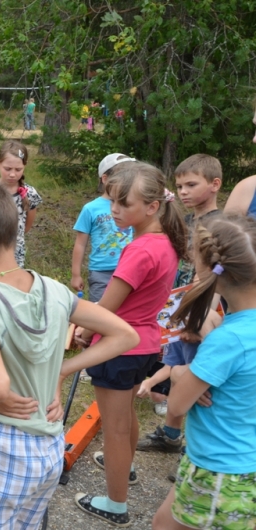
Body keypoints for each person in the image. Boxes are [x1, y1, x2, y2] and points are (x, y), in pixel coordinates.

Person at [0, 180, 139, 530]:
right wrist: (64, 370)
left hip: (4, 448)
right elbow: (125, 334)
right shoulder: (55, 290)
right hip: (48, 446)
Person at [74, 162, 186, 526]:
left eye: (124, 204)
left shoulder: (139, 250)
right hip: (145, 344)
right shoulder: (165, 242)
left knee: (115, 428)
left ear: (152, 207)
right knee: (123, 423)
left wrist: (83, 329)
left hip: (120, 347)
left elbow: (108, 306)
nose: (114, 211)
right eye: (112, 202)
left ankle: (115, 503)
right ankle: (126, 468)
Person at [152, 214, 256, 530]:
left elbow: (177, 405)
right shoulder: (233, 333)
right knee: (162, 523)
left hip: (219, 468)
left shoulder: (228, 340)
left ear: (210, 272)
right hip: (242, 460)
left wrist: (180, 374)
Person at [137, 154, 223, 455]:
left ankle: (206, 451)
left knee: (198, 378)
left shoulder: (220, 225)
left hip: (203, 311)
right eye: (179, 186)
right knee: (176, 363)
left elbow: (215, 276)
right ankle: (171, 435)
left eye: (191, 184)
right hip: (179, 303)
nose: (184, 191)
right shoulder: (185, 219)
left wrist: (199, 315)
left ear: (215, 185)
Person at [70, 153, 135, 302]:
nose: (127, 185)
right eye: (122, 179)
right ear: (105, 179)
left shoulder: (132, 206)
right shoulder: (91, 208)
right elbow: (80, 243)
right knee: (100, 313)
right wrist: (75, 274)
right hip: (101, 272)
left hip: (129, 268)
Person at [0, 140, 42, 267]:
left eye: (18, 169)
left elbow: (26, 227)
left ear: (24, 166)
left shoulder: (30, 193)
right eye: (7, 169)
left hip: (15, 254)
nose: (12, 174)